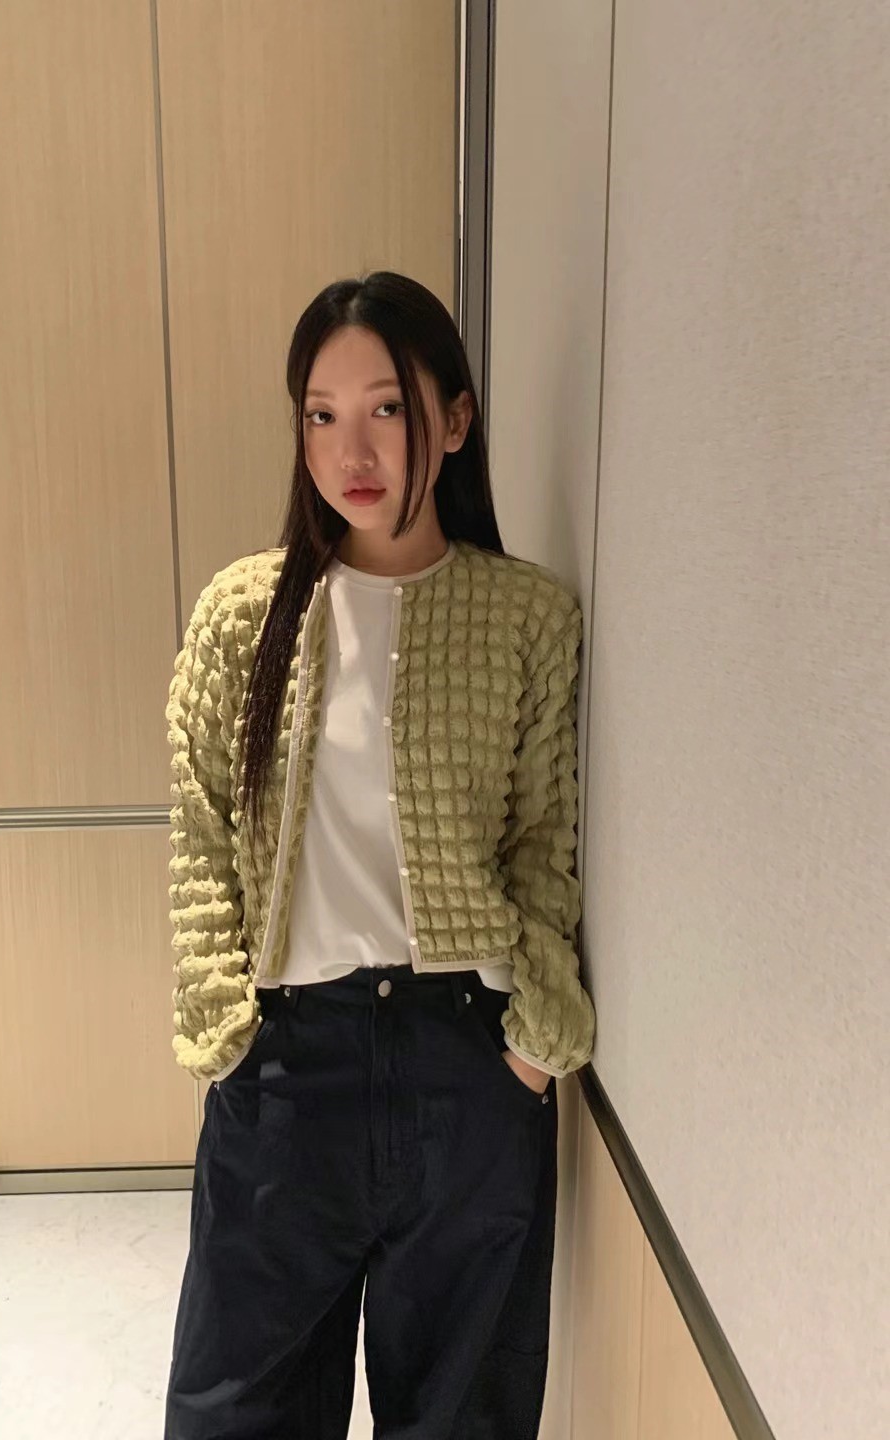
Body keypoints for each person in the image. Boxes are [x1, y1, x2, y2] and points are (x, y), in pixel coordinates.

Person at [162, 270, 596, 1439]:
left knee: (461, 1416)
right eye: (321, 413)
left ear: (452, 420)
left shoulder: (527, 619)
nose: (350, 449)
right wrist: (226, 1029)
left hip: (471, 1068)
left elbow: (544, 844)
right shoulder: (246, 614)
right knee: (232, 1411)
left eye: (386, 408)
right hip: (286, 1069)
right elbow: (203, 827)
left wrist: (531, 1052)